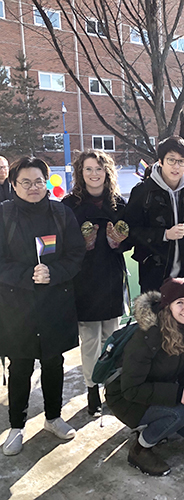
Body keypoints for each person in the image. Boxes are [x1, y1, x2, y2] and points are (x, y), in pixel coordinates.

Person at [0, 157, 86, 456]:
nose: (33, 187)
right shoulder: (4, 214)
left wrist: (54, 272)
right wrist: (26, 276)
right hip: (16, 305)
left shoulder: (61, 213)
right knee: (20, 365)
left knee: (53, 363)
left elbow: (76, 253)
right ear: (13, 185)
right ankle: (16, 426)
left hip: (54, 302)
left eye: (39, 181)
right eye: (26, 182)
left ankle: (52, 417)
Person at [105, 277, 184, 475]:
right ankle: (140, 449)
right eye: (179, 303)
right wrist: (178, 394)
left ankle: (155, 424)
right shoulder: (148, 336)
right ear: (167, 307)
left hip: (157, 389)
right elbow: (130, 389)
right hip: (126, 399)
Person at [63, 150, 129, 417]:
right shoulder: (70, 204)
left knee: (111, 338)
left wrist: (119, 242)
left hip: (111, 277)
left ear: (107, 172)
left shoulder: (118, 204)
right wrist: (83, 244)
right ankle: (92, 388)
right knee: (90, 339)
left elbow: (130, 239)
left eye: (99, 169)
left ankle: (111, 388)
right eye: (88, 169)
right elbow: (63, 244)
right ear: (81, 172)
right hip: (84, 279)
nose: (94, 174)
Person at [124, 136, 184, 293]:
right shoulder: (143, 192)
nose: (176, 166)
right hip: (154, 278)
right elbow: (131, 231)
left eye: (181, 161)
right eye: (171, 160)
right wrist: (164, 234)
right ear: (160, 161)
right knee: (155, 317)